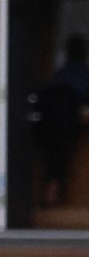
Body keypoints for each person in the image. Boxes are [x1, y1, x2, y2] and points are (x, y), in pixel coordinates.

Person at [36, 34, 89, 206]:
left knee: (54, 160)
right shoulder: (82, 75)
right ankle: (57, 195)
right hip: (68, 125)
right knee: (63, 160)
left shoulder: (59, 74)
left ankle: (52, 193)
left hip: (50, 125)